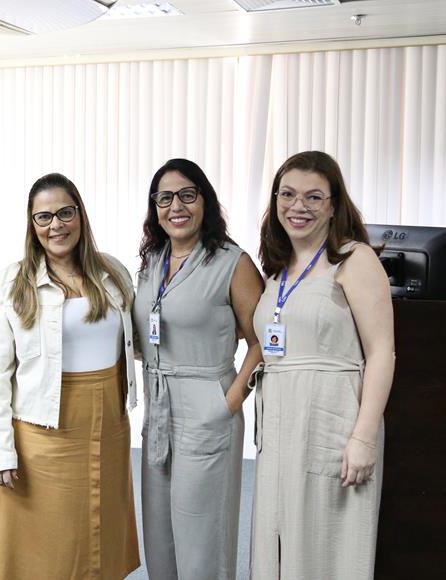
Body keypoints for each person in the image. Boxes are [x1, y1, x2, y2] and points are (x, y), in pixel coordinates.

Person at [0, 173, 141, 580]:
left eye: (65, 213)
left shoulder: (113, 272)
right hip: (41, 432)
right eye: (44, 217)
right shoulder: (13, 282)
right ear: (32, 224)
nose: (56, 225)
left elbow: (135, 342)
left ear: (80, 215)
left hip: (108, 426)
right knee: (44, 547)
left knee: (99, 539)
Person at [249, 150, 394, 579]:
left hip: (332, 422)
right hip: (278, 431)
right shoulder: (276, 270)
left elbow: (382, 352)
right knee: (278, 545)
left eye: (314, 197)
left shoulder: (354, 259)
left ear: (333, 206)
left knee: (327, 548)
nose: (299, 206)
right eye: (288, 194)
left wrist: (364, 437)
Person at [133, 158, 264, 579]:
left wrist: (228, 402)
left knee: (202, 539)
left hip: (208, 406)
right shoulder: (153, 260)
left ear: (205, 201)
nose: (176, 206)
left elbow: (263, 341)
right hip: (158, 408)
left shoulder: (232, 262)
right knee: (160, 537)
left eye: (187, 195)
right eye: (165, 198)